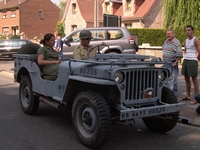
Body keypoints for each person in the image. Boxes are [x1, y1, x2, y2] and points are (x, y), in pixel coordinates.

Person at [180, 25, 200, 104]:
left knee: (194, 79)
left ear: (192, 31)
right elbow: (185, 50)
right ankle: (188, 95)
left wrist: (196, 59)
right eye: (186, 30)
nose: (187, 32)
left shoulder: (196, 40)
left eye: (189, 30)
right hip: (186, 60)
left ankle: (196, 97)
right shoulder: (186, 40)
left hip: (193, 60)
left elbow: (199, 51)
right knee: (186, 79)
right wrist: (186, 57)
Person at [162, 29, 183, 96]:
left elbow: (180, 54)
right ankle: (166, 92)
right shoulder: (166, 41)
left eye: (169, 34)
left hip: (172, 63)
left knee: (174, 79)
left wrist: (176, 62)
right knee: (165, 78)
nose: (167, 35)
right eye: (167, 34)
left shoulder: (176, 42)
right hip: (166, 63)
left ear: (173, 35)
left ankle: (175, 92)